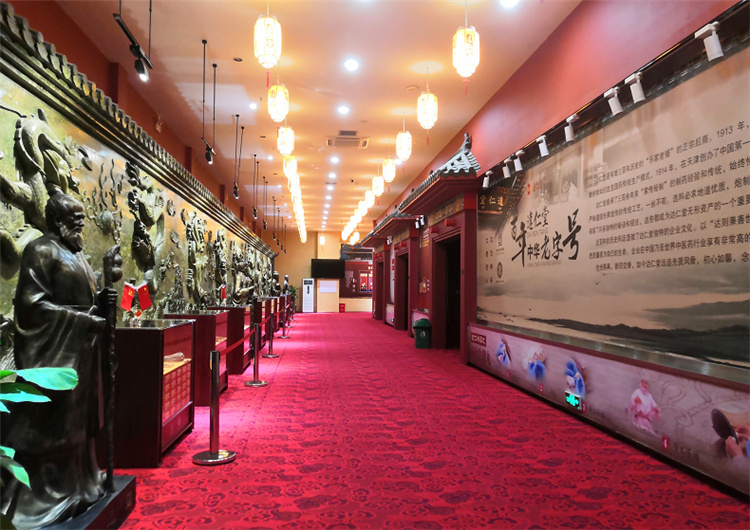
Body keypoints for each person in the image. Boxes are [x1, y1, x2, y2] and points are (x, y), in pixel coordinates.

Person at [1, 191, 110, 529]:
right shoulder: (41, 250)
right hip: (56, 352)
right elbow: (31, 307)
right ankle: (45, 497)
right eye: (74, 218)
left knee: (78, 426)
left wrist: (102, 302)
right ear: (58, 220)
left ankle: (81, 483)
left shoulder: (77, 254)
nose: (80, 224)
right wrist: (84, 321)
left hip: (83, 352)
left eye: (82, 218)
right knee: (54, 425)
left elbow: (85, 299)